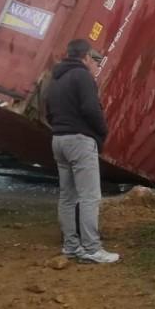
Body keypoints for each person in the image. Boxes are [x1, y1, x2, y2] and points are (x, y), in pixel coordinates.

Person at [45, 39, 118, 264]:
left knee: (68, 197)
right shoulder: (82, 76)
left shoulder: (55, 78)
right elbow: (90, 108)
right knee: (89, 196)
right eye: (93, 59)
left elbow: (47, 110)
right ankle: (91, 248)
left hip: (58, 139)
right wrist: (102, 132)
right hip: (79, 140)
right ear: (86, 56)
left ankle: (71, 246)